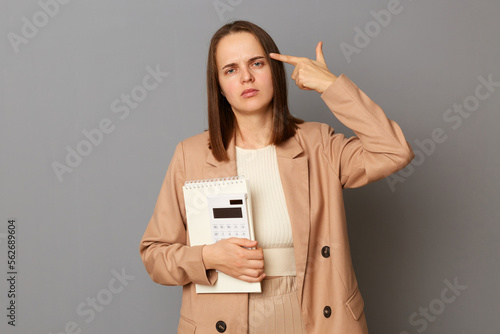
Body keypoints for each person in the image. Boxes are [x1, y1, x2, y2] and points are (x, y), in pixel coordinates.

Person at [140, 20, 414, 334]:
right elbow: (155, 256)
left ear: (275, 71)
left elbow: (394, 151)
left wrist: (331, 86)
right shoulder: (190, 155)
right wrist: (208, 256)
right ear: (218, 86)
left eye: (256, 63)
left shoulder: (318, 144)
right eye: (230, 69)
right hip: (224, 319)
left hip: (312, 316)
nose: (246, 77)